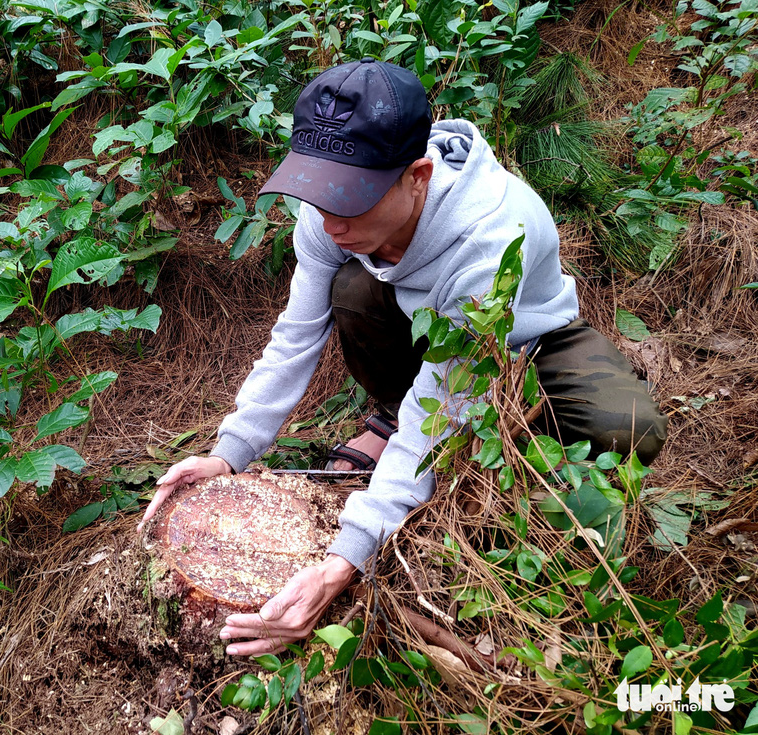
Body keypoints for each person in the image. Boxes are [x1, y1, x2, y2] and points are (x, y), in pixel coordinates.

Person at [136, 59, 667, 656]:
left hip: (526, 337)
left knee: (630, 427)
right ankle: (390, 416)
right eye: (318, 191)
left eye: (352, 199)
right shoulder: (327, 214)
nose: (329, 218)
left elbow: (446, 392)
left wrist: (345, 558)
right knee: (354, 289)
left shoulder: (488, 235)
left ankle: (499, 441)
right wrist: (229, 453)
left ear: (417, 174)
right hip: (424, 332)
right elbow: (296, 335)